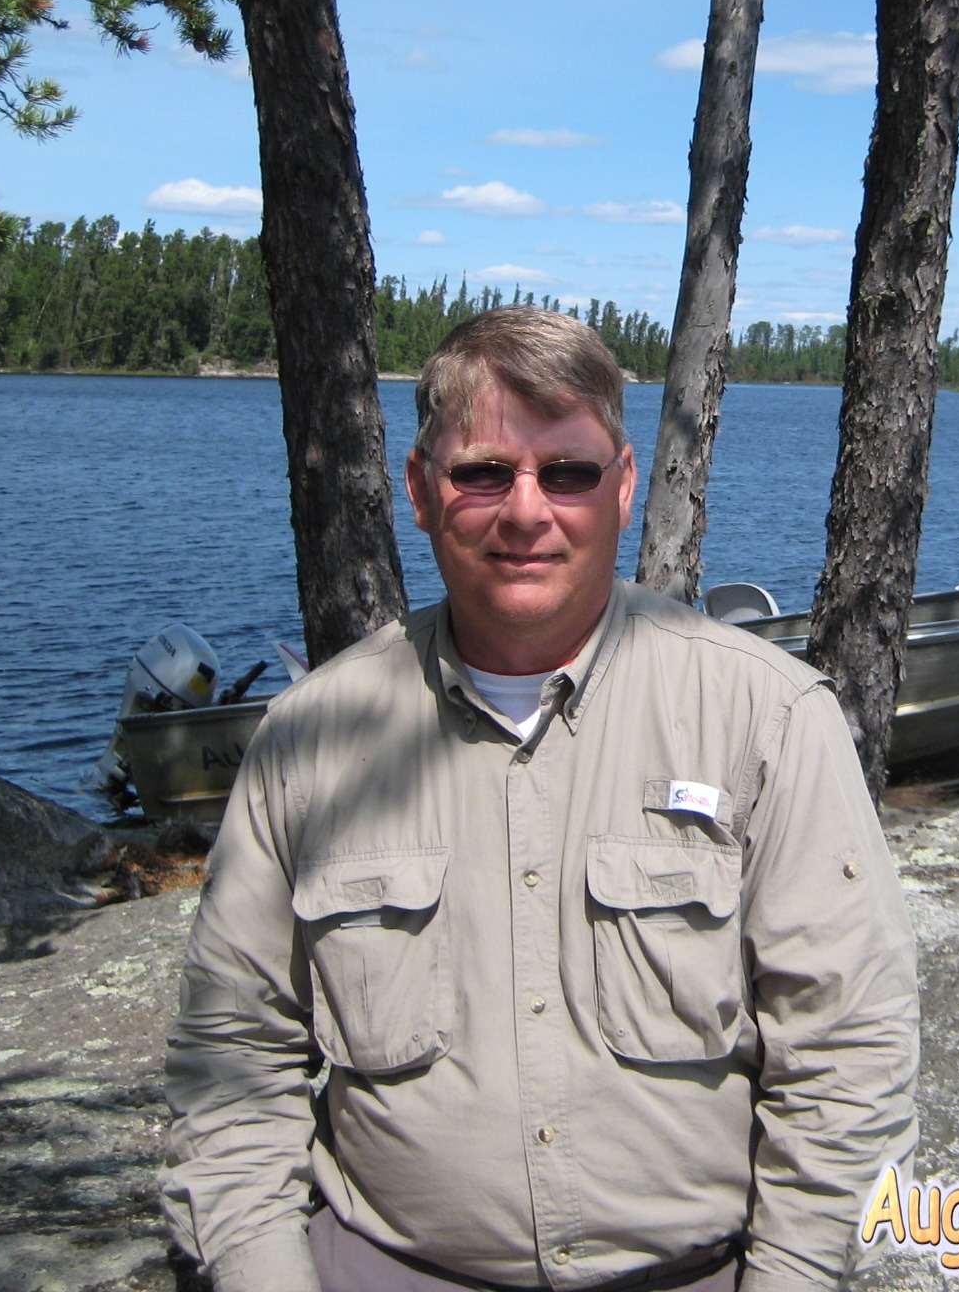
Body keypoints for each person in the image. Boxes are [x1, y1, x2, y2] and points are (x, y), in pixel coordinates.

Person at [161, 307, 920, 1292]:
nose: (526, 512)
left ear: (623, 485)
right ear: (420, 491)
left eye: (566, 473)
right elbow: (233, 1059)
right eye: (483, 473)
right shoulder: (308, 739)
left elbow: (848, 1051)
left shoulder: (767, 719)